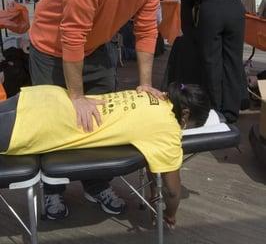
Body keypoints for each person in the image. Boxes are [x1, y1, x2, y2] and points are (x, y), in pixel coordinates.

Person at [29, 0, 170, 219]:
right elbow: (72, 35)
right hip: (51, 48)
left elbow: (147, 29)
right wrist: (76, 97)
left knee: (104, 121)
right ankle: (53, 190)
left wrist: (145, 83)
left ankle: (95, 185)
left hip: (96, 47)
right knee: (57, 122)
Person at [0, 83, 210, 229]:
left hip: (43, 98)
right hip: (39, 125)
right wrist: (170, 214)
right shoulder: (168, 129)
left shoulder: (152, 95)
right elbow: (172, 191)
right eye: (189, 126)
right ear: (185, 115)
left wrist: (152, 196)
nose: (184, 130)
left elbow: (155, 166)